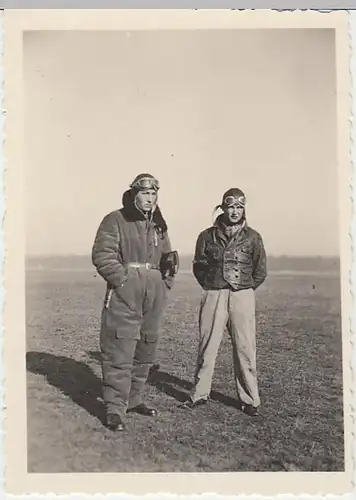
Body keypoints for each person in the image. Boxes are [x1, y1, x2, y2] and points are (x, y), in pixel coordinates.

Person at [92, 173, 178, 432]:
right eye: (145, 193)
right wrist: (123, 281)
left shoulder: (159, 225)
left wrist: (165, 284)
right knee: (120, 347)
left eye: (153, 194)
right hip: (125, 294)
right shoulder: (115, 220)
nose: (150, 198)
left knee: (145, 348)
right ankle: (115, 409)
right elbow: (102, 255)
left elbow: (168, 258)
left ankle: (134, 399)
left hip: (153, 294)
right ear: (133, 194)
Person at [181, 187, 267, 416]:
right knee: (207, 346)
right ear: (223, 207)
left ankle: (250, 400)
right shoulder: (206, 236)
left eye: (240, 207)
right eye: (231, 206)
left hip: (243, 295)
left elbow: (260, 271)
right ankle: (199, 394)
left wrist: (244, 290)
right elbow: (198, 265)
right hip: (213, 293)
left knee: (245, 348)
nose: (235, 211)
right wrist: (213, 287)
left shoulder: (253, 237)